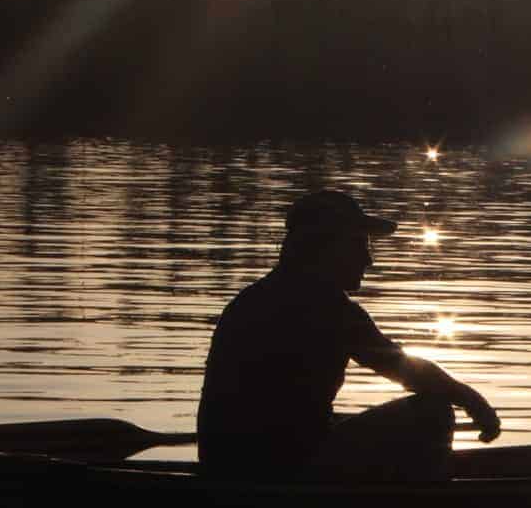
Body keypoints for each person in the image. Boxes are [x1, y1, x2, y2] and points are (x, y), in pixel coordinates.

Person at [197, 189, 500, 481]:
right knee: (433, 413)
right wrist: (473, 401)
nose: (368, 260)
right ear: (325, 247)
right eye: (358, 245)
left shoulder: (251, 299)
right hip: (277, 468)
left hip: (225, 462)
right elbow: (406, 369)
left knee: (342, 421)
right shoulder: (328, 307)